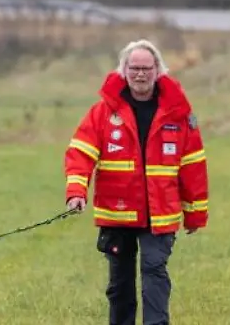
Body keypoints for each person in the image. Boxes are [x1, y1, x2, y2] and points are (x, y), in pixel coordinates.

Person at [63, 39, 209, 325]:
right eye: (134, 68)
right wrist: (76, 191)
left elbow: (192, 166)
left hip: (161, 214)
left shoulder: (179, 114)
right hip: (117, 213)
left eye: (146, 68)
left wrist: (195, 214)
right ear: (124, 71)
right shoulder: (102, 112)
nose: (140, 74)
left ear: (158, 71)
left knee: (155, 272)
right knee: (120, 285)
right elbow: (80, 152)